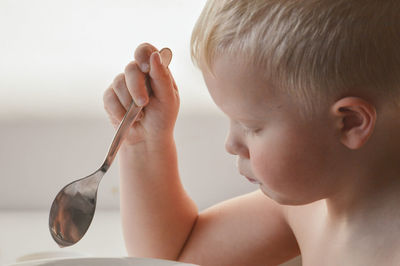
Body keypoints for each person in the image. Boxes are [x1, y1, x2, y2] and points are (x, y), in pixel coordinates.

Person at [102, 0, 400, 265]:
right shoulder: (306, 208)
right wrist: (144, 143)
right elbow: (177, 257)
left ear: (349, 123)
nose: (231, 144)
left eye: (251, 126)